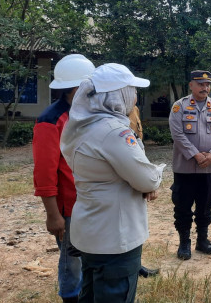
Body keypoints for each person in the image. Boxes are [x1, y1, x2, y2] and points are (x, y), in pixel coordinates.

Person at [60, 63, 163, 303]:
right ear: (118, 95)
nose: (135, 96)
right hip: (116, 239)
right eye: (132, 90)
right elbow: (146, 178)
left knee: (90, 294)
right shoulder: (113, 132)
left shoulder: (79, 126)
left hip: (90, 231)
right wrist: (156, 176)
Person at [33, 54, 95, 303]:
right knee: (72, 261)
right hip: (68, 207)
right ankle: (71, 298)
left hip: (90, 201)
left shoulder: (85, 114)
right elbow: (45, 174)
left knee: (89, 254)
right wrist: (53, 214)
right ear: (77, 87)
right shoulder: (51, 120)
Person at [169, 70, 211, 260]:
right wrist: (195, 155)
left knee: (205, 206)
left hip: (209, 168)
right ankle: (184, 242)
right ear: (191, 85)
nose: (205, 87)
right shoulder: (179, 107)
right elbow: (177, 134)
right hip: (185, 168)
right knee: (183, 206)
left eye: (207, 84)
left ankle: (202, 240)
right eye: (201, 84)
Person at [127, 105, 161, 279]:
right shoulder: (112, 108)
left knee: (137, 220)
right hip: (125, 163)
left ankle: (136, 263)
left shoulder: (134, 108)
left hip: (136, 155)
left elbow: (137, 134)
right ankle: (131, 265)